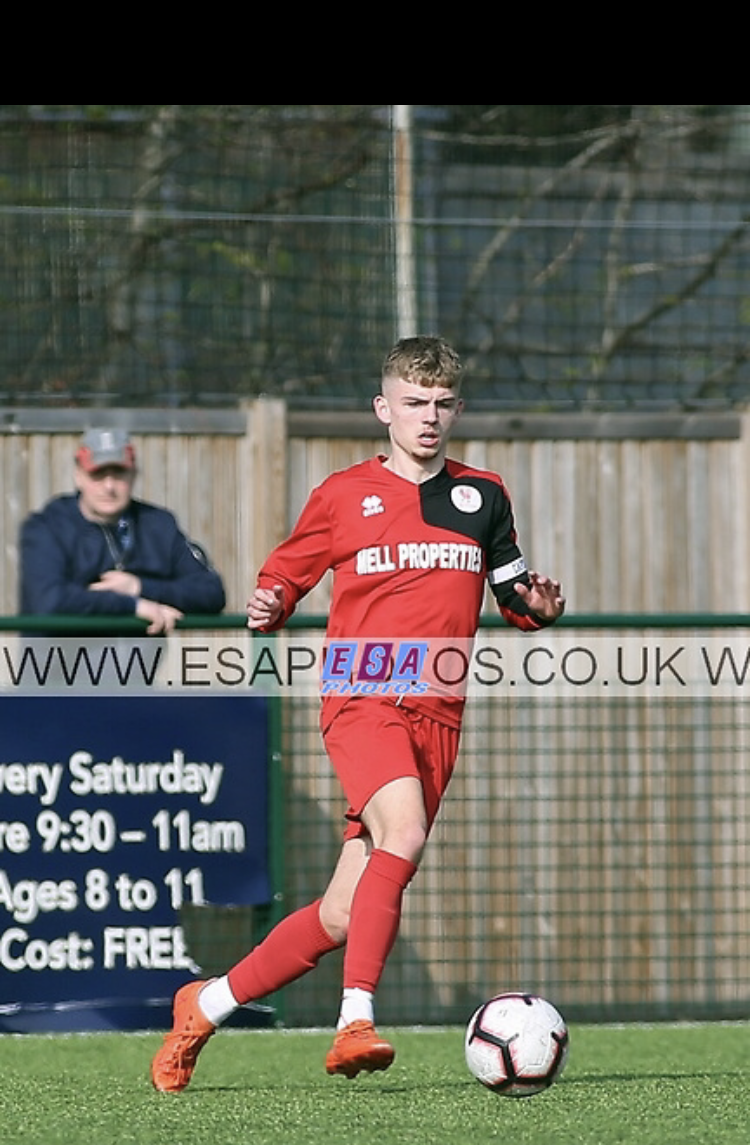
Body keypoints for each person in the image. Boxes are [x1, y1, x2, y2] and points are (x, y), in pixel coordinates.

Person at [150, 335, 566, 1092]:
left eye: (441, 404)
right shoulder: (344, 494)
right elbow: (286, 573)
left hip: (439, 714)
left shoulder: (484, 496)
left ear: (457, 410)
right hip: (363, 697)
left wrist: (537, 607)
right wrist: (271, 600)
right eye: (414, 403)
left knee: (343, 914)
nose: (428, 416)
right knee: (402, 833)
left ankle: (203, 1007)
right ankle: (355, 1020)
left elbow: (513, 594)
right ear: (383, 409)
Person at [19, 429, 226, 634]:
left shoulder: (159, 525)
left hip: (136, 657)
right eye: (97, 474)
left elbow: (211, 592)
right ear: (78, 476)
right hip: (60, 656)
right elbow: (48, 600)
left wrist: (140, 587)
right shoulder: (47, 527)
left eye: (118, 473)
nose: (109, 486)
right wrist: (133, 606)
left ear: (133, 474)